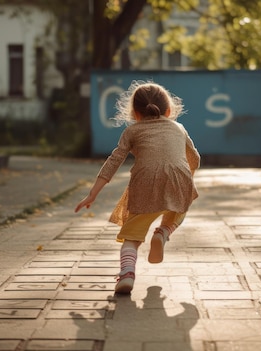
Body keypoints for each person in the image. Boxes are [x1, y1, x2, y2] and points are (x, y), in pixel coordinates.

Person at [74, 80, 200, 294]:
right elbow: (194, 158)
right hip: (179, 178)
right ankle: (164, 231)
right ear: (168, 110)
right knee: (180, 208)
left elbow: (114, 161)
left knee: (131, 238)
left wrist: (92, 194)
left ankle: (127, 275)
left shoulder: (132, 131)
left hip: (145, 185)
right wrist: (186, 180)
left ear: (135, 113)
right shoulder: (179, 128)